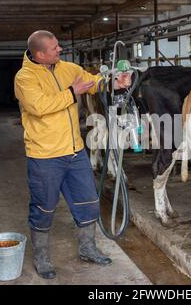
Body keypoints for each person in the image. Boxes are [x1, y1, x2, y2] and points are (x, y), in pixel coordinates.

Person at [14, 30, 131, 279]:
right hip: (45, 155)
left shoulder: (68, 67)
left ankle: (88, 248)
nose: (60, 49)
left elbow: (92, 82)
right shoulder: (24, 78)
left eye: (58, 45)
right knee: (44, 207)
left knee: (88, 202)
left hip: (75, 151)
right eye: (55, 47)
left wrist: (113, 83)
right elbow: (39, 107)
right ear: (39, 54)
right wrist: (71, 92)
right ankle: (42, 257)